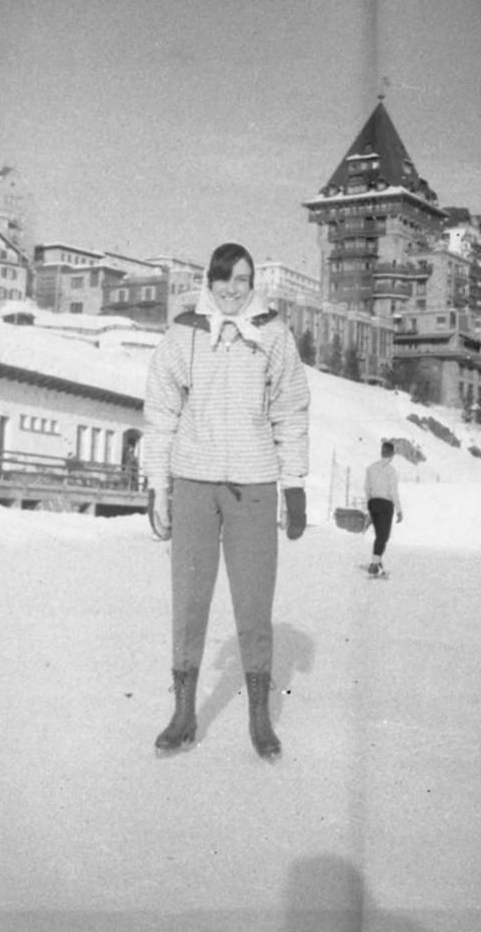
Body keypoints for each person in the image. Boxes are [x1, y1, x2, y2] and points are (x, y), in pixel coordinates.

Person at [143, 242, 310, 760]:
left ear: (253, 282)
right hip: (193, 482)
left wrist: (295, 484)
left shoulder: (274, 335)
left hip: (255, 486)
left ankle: (260, 721)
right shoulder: (184, 333)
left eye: (242, 279)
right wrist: (157, 485)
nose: (232, 289)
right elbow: (161, 412)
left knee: (254, 605)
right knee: (189, 601)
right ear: (209, 282)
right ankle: (183, 712)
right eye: (224, 279)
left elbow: (292, 409)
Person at [364, 441, 403, 576]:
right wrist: (399, 510)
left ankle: (378, 561)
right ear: (392, 454)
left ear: (381, 452)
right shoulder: (392, 472)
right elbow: (393, 492)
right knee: (383, 536)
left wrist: (369, 503)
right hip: (385, 505)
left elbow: (367, 488)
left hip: (373, 503)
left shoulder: (370, 468)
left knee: (378, 535)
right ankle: (374, 564)